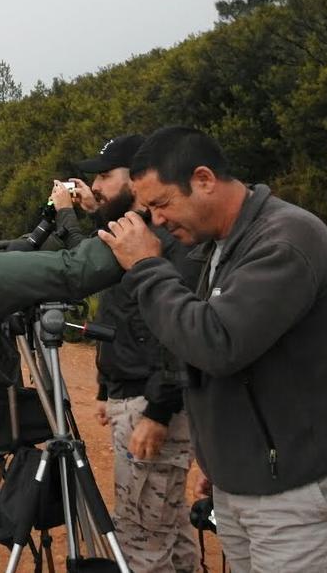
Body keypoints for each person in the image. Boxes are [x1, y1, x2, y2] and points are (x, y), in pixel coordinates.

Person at [98, 126, 327, 572]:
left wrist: (147, 267)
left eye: (161, 203)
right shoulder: (220, 244)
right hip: (247, 483)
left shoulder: (284, 241)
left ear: (205, 179)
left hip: (300, 491)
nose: (156, 221)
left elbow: (215, 343)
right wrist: (223, 456)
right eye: (148, 208)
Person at [53, 135, 199, 572]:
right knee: (168, 526)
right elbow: (118, 318)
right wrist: (105, 386)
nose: (96, 186)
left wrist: (157, 410)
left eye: (105, 176)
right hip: (132, 394)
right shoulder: (130, 234)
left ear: (135, 181)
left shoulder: (160, 242)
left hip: (151, 403)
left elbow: (176, 333)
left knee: (140, 537)